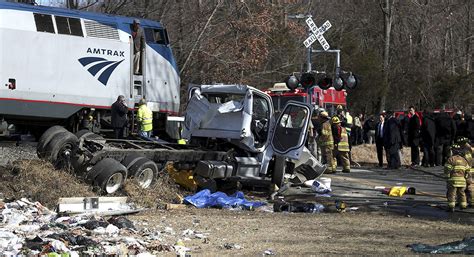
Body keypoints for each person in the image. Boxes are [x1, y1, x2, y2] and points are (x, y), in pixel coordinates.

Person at [444, 144, 470, 212]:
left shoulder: (451, 159)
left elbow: (447, 169)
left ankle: (451, 207)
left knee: (452, 194)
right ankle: (463, 206)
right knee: (462, 193)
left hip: (453, 181)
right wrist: (465, 177)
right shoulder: (464, 160)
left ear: (453, 151)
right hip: (462, 181)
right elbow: (468, 170)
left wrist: (447, 177)